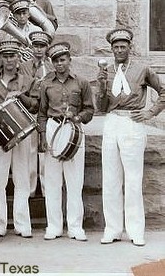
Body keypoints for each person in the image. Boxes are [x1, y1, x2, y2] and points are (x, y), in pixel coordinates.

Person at [97, 28, 165, 246]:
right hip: (111, 122)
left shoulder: (141, 69)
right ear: (112, 49)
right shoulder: (106, 71)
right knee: (110, 178)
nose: (119, 50)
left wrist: (150, 112)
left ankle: (136, 230)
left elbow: (163, 91)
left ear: (129, 47)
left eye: (123, 46)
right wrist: (100, 86)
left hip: (133, 124)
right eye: (116, 47)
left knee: (133, 179)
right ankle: (113, 229)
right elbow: (102, 106)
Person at [0, 39, 39, 239]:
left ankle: (22, 224)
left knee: (22, 178)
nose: (9, 60)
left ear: (18, 57)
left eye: (12, 55)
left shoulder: (27, 80)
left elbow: (35, 105)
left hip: (21, 132)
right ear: (0, 58)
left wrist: (21, 96)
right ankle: (0, 224)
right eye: (5, 56)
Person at [37, 42, 94, 242]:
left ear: (69, 60)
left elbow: (89, 110)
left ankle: (75, 227)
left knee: (74, 181)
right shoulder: (45, 84)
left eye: (63, 60)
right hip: (53, 129)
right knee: (52, 181)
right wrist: (43, 136)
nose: (60, 64)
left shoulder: (81, 83)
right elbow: (42, 114)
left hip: (74, 130)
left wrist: (78, 117)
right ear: (52, 63)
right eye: (56, 61)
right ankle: (53, 226)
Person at [19, 30, 55, 197]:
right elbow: (26, 88)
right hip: (32, 111)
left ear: (47, 48)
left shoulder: (52, 66)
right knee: (31, 152)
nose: (38, 50)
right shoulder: (25, 67)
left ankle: (48, 190)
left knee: (47, 150)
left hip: (49, 113)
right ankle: (31, 190)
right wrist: (39, 85)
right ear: (31, 47)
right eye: (35, 46)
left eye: (42, 46)